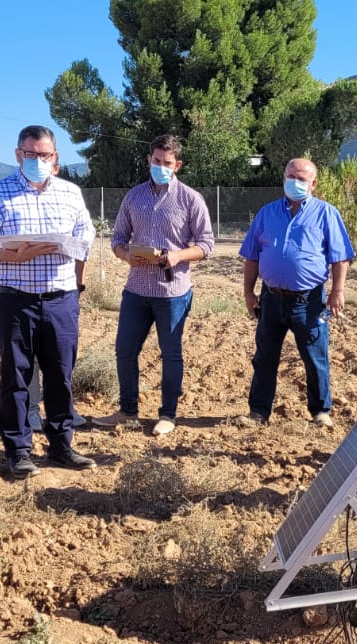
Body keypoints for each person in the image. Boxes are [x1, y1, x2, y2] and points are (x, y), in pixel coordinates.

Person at [0, 125, 97, 477]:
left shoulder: (71, 193)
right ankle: (18, 449)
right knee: (16, 377)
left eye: (45, 155)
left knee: (61, 375)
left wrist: (65, 245)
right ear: (18, 155)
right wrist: (11, 255)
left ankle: (62, 446)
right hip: (16, 300)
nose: (38, 160)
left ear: (55, 157)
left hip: (60, 299)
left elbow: (85, 235)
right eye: (31, 154)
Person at [93, 134, 215, 436]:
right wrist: (126, 256)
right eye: (157, 161)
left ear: (178, 165)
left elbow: (206, 244)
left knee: (170, 353)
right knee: (125, 350)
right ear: (149, 160)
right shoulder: (133, 197)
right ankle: (127, 412)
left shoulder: (190, 199)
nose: (161, 166)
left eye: (168, 163)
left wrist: (177, 256)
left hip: (172, 293)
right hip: (136, 289)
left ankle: (168, 415)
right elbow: (118, 238)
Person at [240, 158, 356, 428]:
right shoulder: (266, 214)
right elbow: (252, 257)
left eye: (302, 178)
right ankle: (258, 412)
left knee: (315, 358)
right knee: (265, 357)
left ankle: (320, 411)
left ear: (313, 183)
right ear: (283, 178)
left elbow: (340, 258)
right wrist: (248, 292)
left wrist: (337, 291)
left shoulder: (327, 213)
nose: (295, 182)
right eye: (290, 176)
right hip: (270, 299)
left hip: (309, 301)